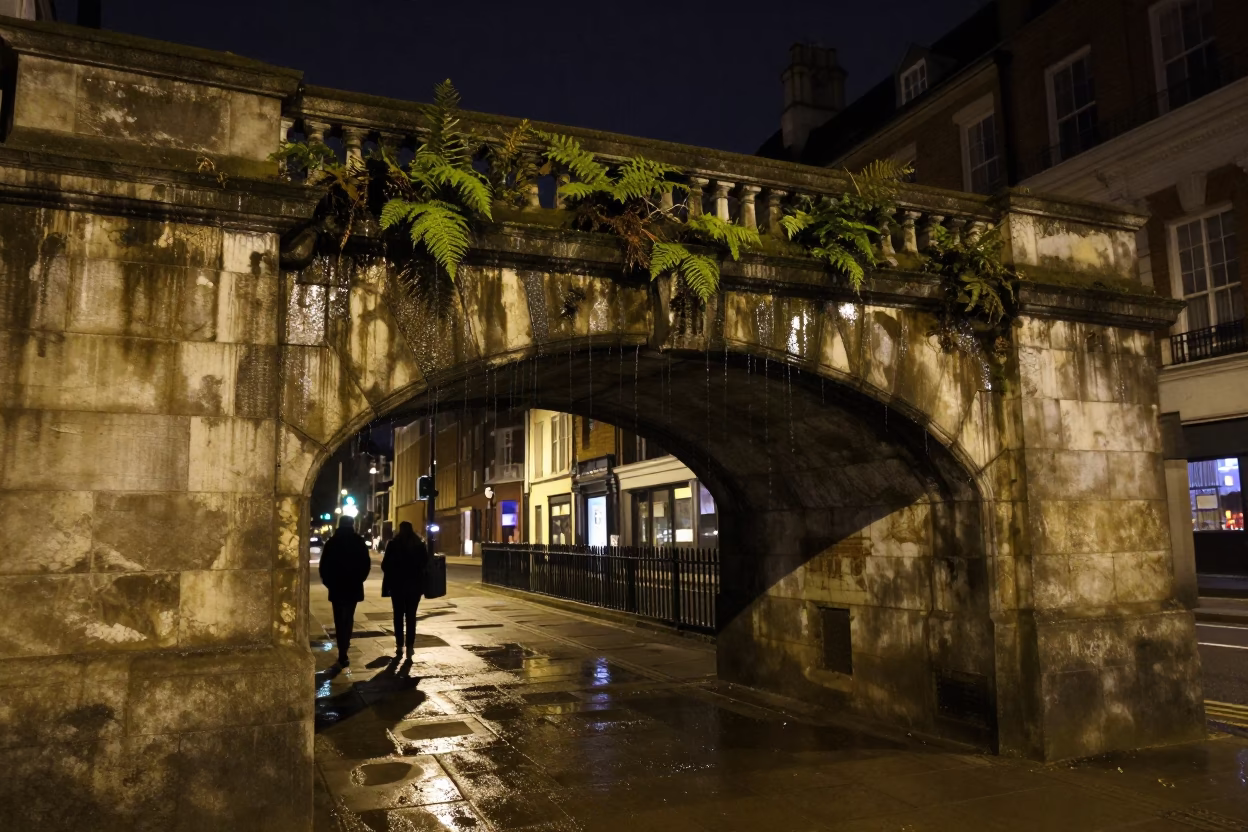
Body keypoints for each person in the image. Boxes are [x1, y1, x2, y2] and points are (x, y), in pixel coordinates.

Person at [318, 515, 371, 667]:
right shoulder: (358, 541)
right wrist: (360, 578)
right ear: (352, 524)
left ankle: (342, 650)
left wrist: (329, 582)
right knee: (348, 618)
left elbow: (324, 565)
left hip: (337, 586)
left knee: (339, 619)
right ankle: (344, 648)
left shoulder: (332, 542)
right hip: (353, 585)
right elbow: (365, 563)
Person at [381, 521, 430, 659]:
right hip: (414, 586)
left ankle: (399, 646)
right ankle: (410, 647)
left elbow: (385, 565)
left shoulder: (393, 544)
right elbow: (425, 564)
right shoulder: (419, 545)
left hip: (397, 586)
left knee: (398, 616)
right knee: (411, 617)